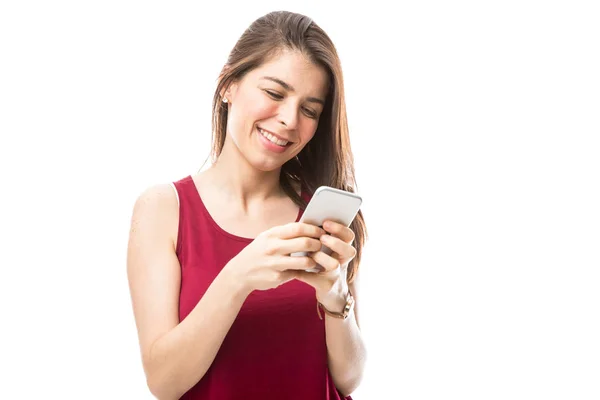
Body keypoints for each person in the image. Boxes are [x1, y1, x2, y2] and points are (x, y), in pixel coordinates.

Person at [126, 10, 368, 400]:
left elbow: (349, 378)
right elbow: (164, 382)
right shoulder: (163, 209)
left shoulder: (324, 217)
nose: (289, 119)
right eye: (274, 93)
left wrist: (335, 294)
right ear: (228, 85)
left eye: (310, 110)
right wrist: (238, 277)